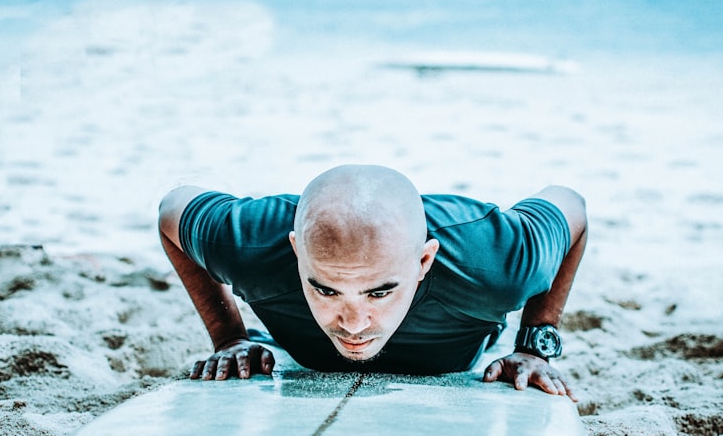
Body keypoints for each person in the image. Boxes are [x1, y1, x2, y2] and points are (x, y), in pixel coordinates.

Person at [158, 165, 586, 401]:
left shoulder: (497, 263)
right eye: (325, 288)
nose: (355, 323)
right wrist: (229, 338)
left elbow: (573, 208)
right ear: (295, 251)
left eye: (380, 291)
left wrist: (533, 346)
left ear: (423, 261)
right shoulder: (250, 246)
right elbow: (171, 212)